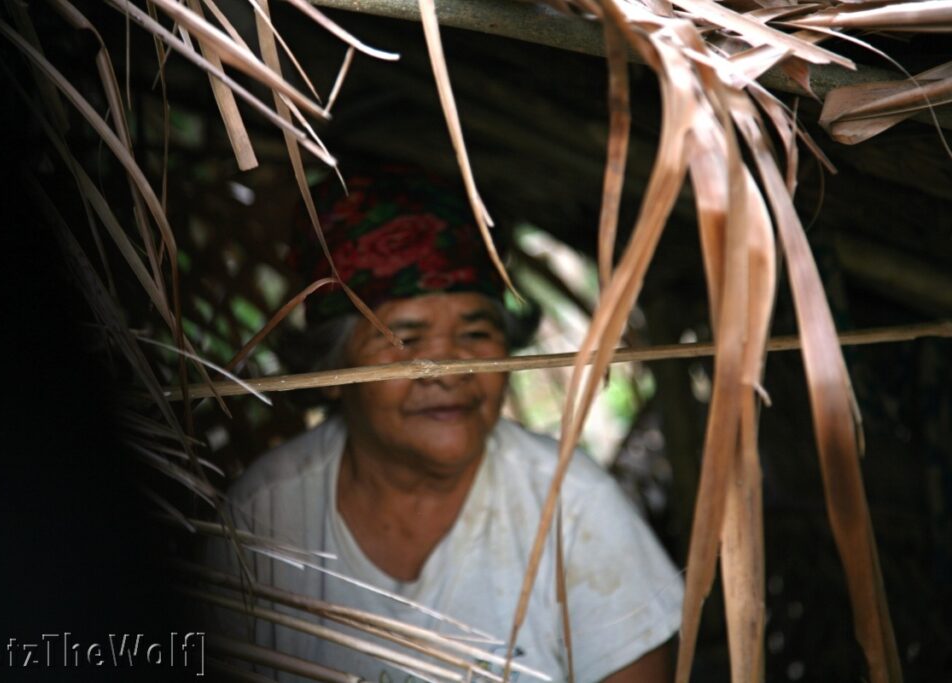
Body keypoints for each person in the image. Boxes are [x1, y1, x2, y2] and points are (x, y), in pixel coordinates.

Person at [206, 167, 683, 682]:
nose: (449, 370)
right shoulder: (264, 519)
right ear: (332, 372)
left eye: (476, 332)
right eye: (405, 338)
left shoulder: (572, 506)